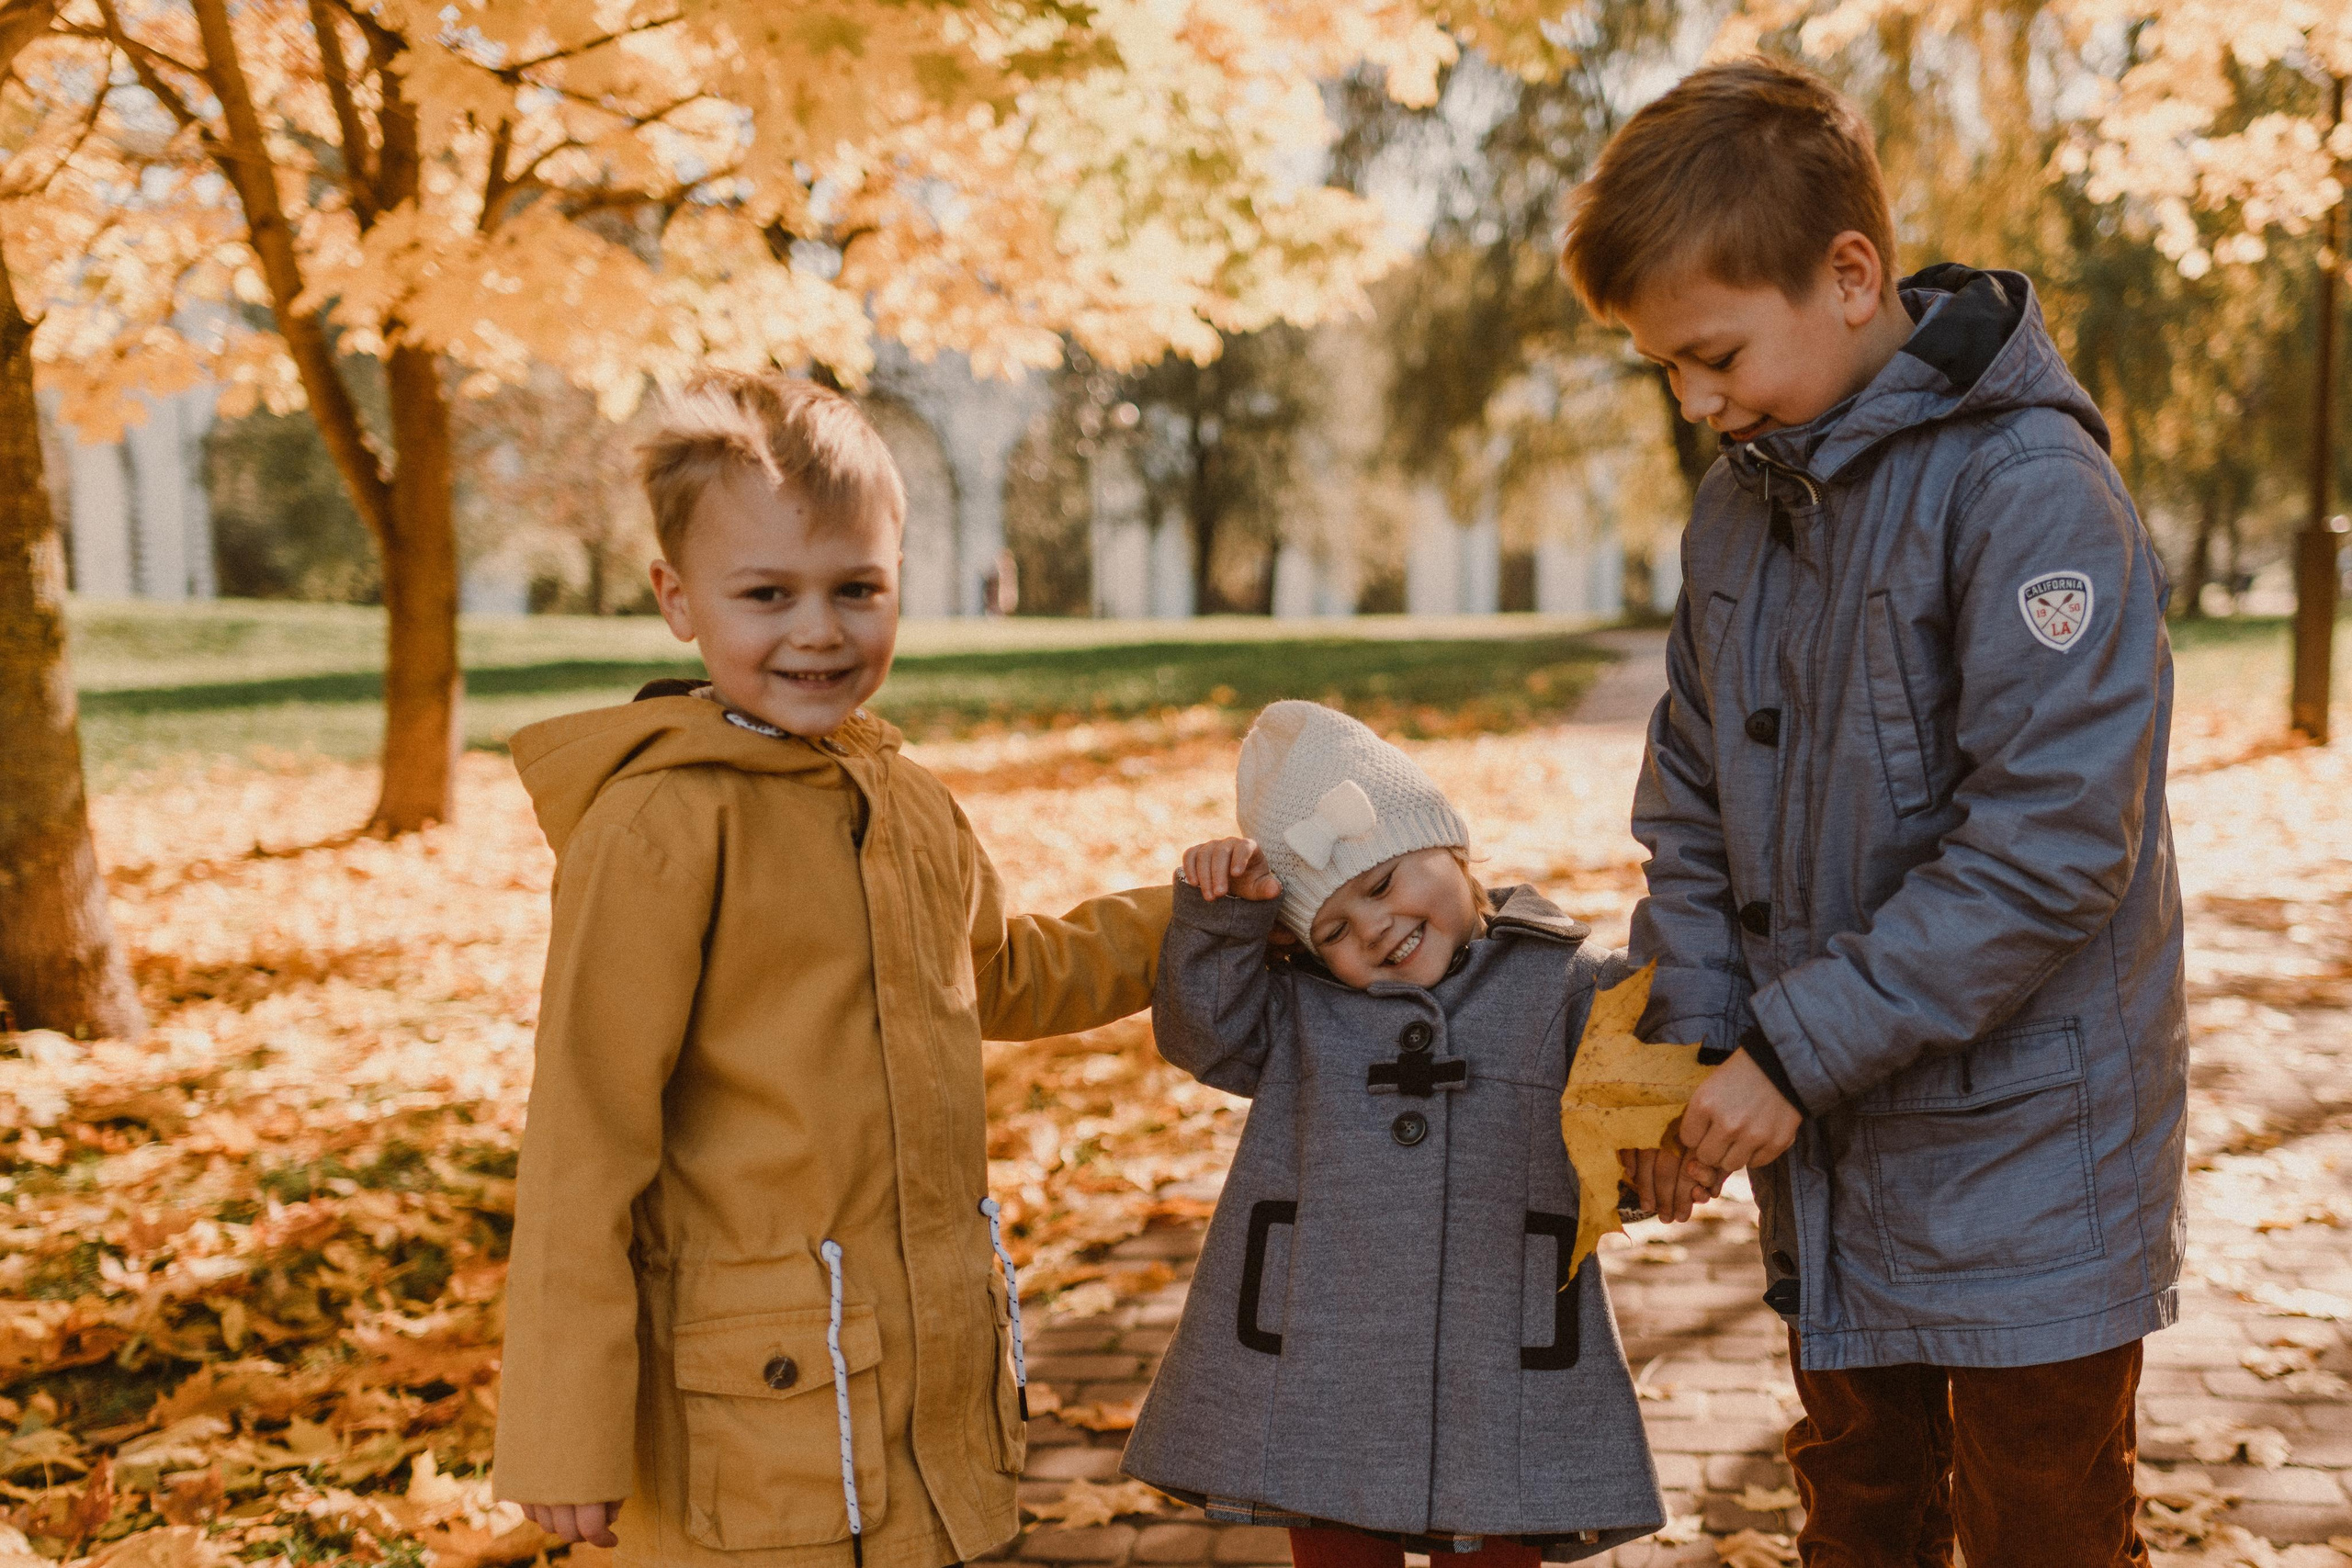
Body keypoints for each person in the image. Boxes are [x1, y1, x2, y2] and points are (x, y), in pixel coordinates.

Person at [1562, 55, 2187, 1566]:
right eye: (1667, 368)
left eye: (1715, 353)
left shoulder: (2031, 492)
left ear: (1850, 275)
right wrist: (1690, 1051)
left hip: (2036, 1172)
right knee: (1860, 1507)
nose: (1697, 399)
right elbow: (1696, 805)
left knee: (2043, 1521)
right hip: (1836, 1166)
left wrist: (1791, 1051)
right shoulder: (1745, 504)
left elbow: (2049, 853)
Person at [491, 372, 1172, 1568]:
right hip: (757, 1421)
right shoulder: (660, 829)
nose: (819, 630)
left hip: (924, 1384)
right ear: (678, 600)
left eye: (857, 587)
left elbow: (1004, 975)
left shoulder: (908, 802)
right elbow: (584, 1133)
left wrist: (1197, 921)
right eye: (767, 594)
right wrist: (564, 1428)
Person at [1118, 701, 1667, 1567]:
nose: (1372, 926)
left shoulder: (1564, 984)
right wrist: (1220, 915)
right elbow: (1202, 1031)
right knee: (1335, 1540)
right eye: (1331, 929)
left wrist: (1650, 1163)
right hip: (1320, 1353)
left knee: (1496, 1537)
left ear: (1452, 846)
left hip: (1501, 1347)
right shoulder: (1301, 1012)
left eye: (1383, 883)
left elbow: (1638, 1106)